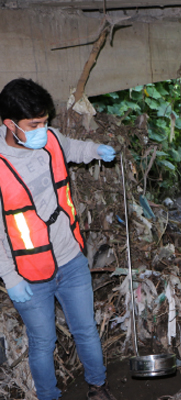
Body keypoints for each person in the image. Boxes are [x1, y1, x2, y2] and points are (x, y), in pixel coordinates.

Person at [0, 78, 118, 400]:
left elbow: (72, 148)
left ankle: (98, 387)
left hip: (70, 258)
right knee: (43, 342)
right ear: (11, 124)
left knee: (85, 330)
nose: (43, 128)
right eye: (34, 124)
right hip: (29, 273)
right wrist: (10, 278)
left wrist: (96, 151)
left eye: (45, 121)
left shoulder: (49, 139)